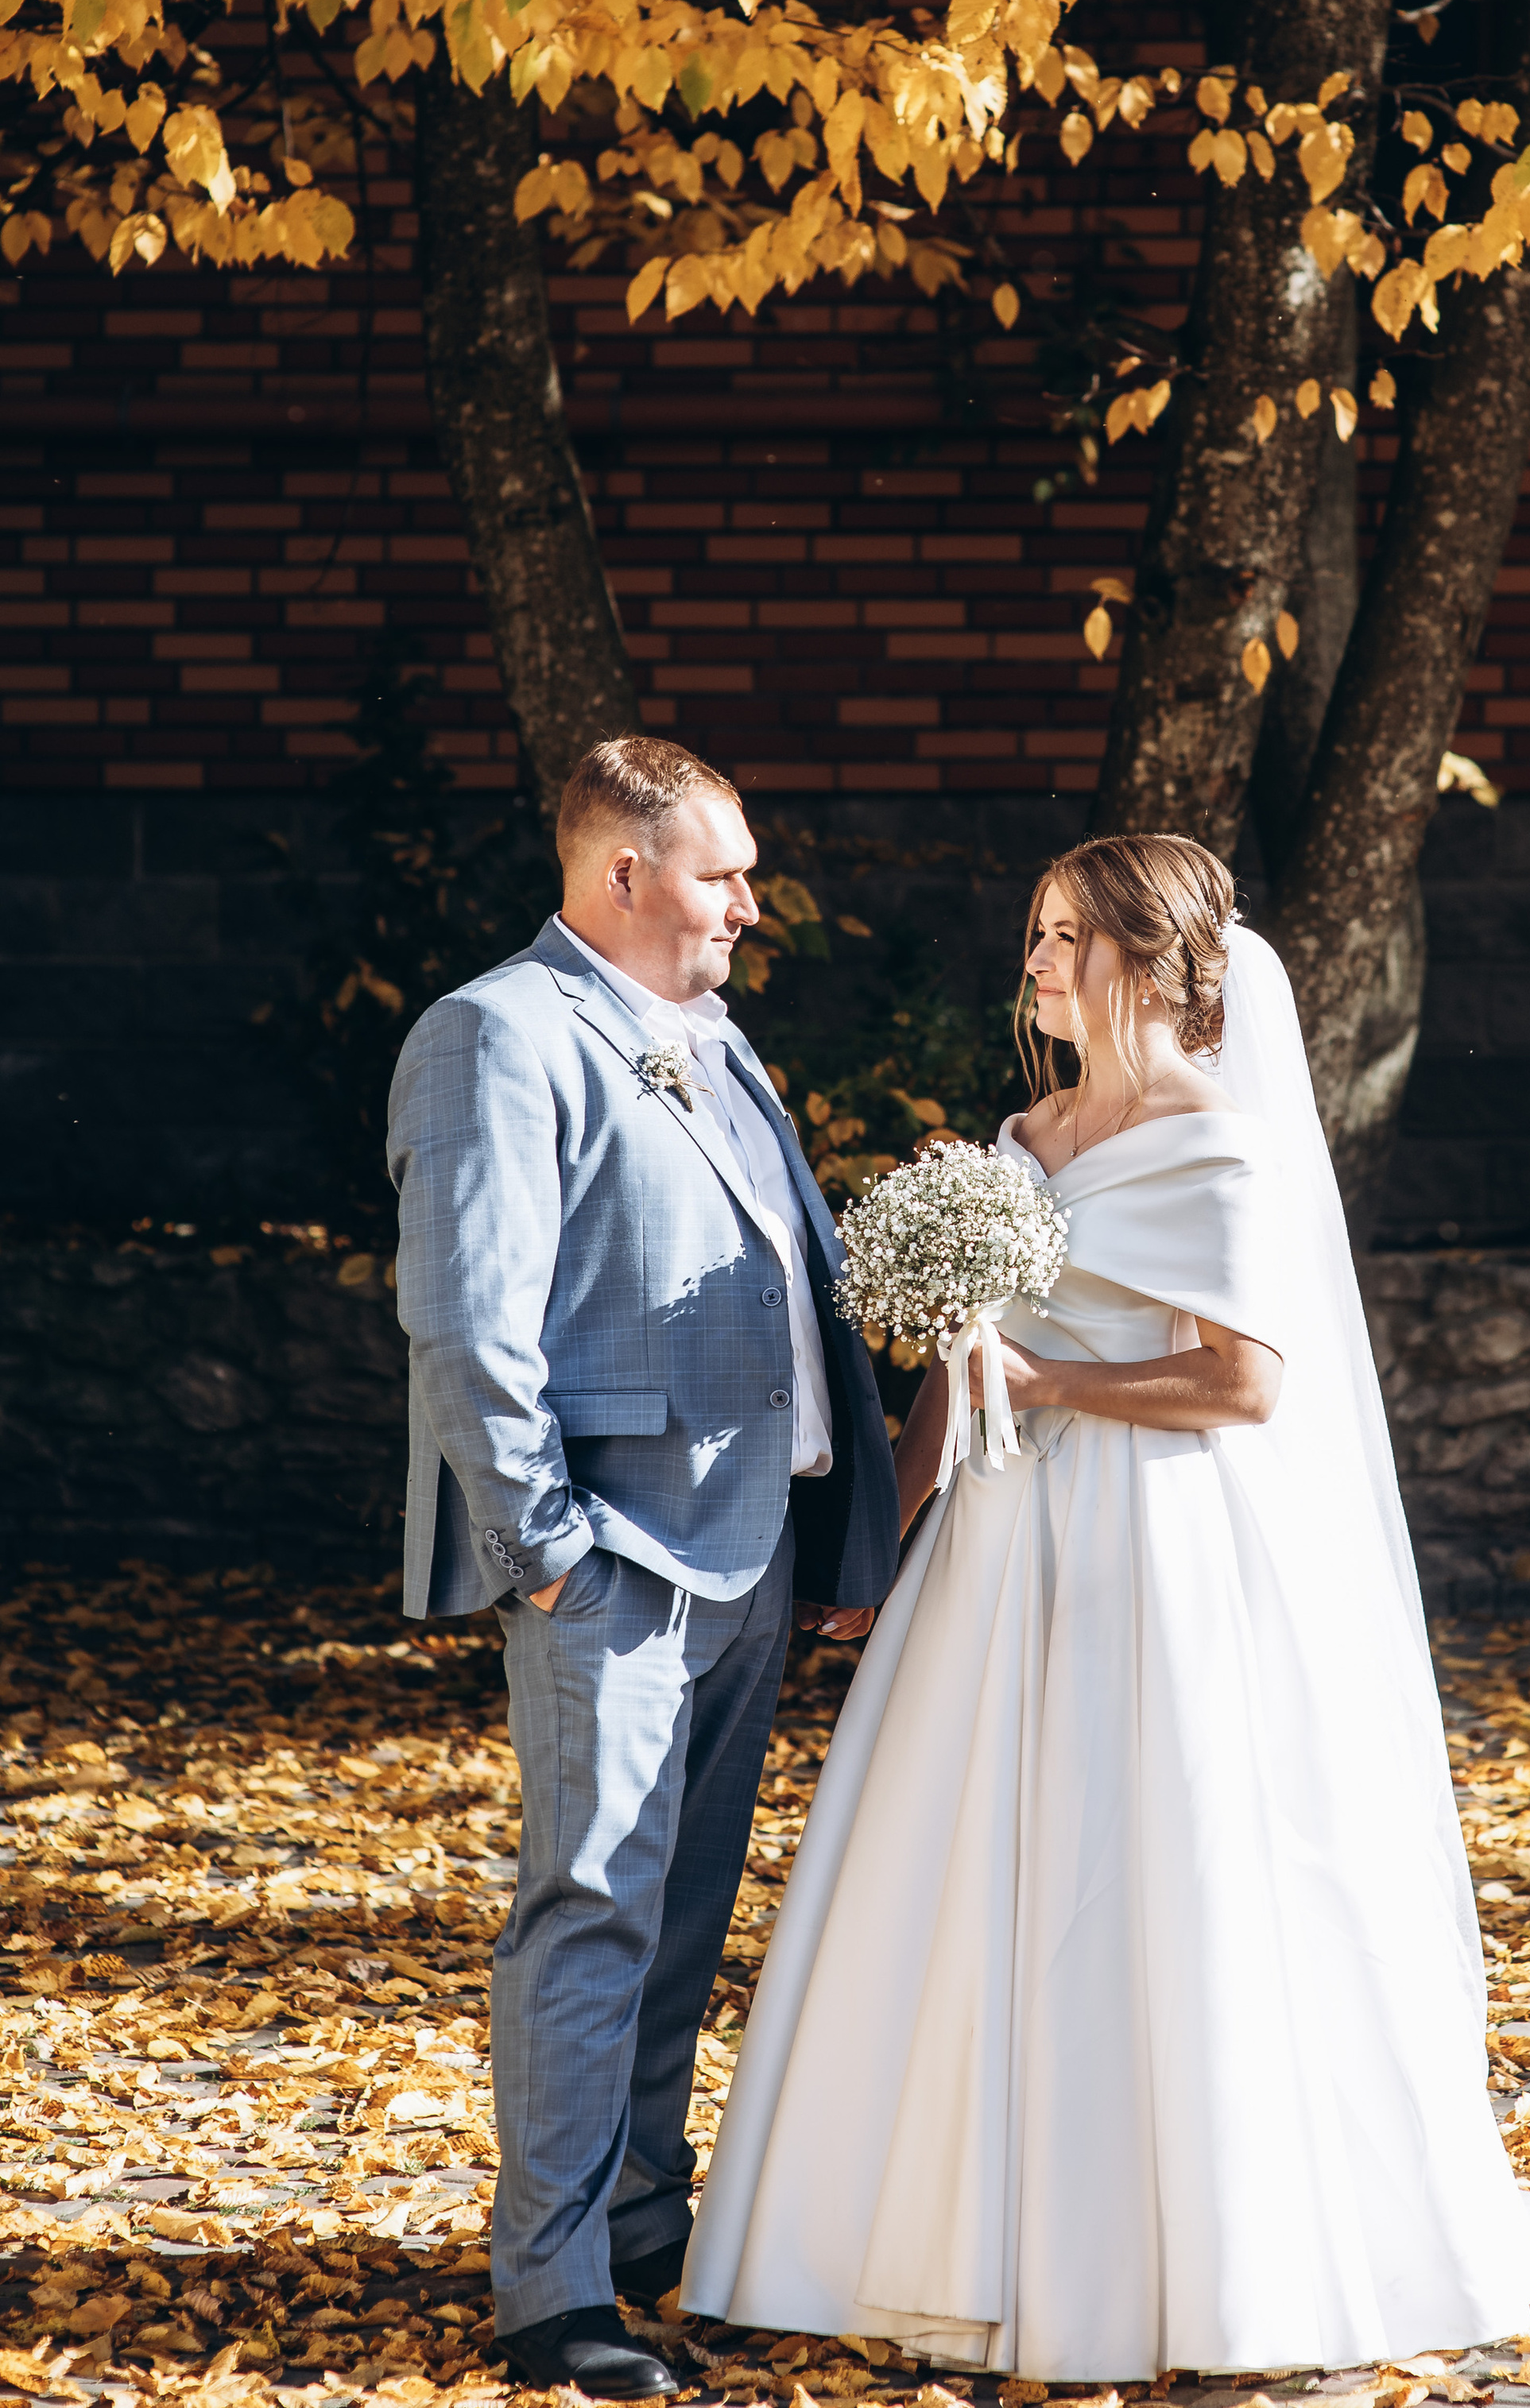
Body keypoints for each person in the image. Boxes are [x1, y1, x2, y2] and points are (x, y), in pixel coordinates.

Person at [683, 833, 1530, 2380]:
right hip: (995, 1550)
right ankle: (933, 2239)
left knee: (1145, 1869)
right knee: (963, 1869)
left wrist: (1053, 1381)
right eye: (1036, 932)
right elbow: (960, 1368)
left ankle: (1188, 2263)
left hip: (1147, 1544)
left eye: (1067, 937)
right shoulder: (1021, 1135)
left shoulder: (1217, 1146)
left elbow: (1242, 1384)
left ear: (1152, 961)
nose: (1036, 962)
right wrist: (873, 1548)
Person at [387, 736, 899, 2400]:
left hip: (750, 1553)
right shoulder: (499, 1032)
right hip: (611, 1558)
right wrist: (544, 1551)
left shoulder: (720, 1041)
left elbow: (793, 1293)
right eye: (720, 873)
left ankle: (639, 2233)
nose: (749, 904)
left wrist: (842, 1522)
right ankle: (551, 2297)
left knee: (680, 1915)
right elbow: (468, 1319)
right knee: (592, 1907)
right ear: (623, 873)